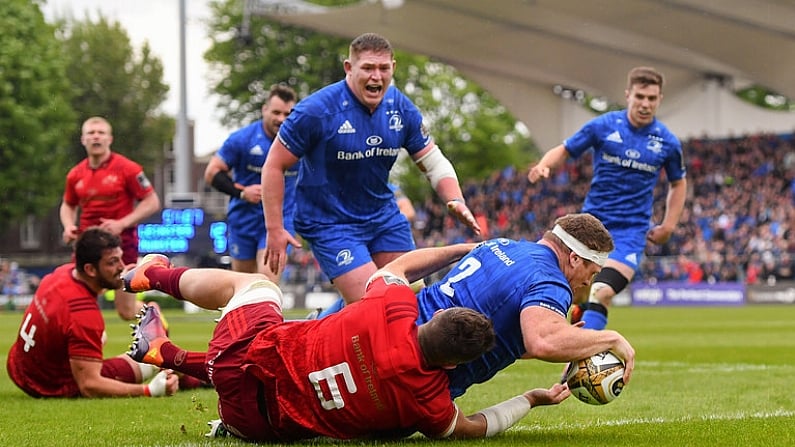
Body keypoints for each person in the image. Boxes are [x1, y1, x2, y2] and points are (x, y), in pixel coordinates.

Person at [123, 245, 570, 442]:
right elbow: (474, 427)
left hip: (237, 359)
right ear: (453, 369)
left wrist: (467, 250)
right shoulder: (430, 402)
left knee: (258, 287)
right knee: (296, 371)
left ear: (430, 316)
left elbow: (404, 266)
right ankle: (169, 355)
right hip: (256, 429)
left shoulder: (393, 306)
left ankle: (153, 275)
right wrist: (530, 399)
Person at [261, 32, 481, 305]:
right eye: (367, 68)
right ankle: (321, 327)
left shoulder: (400, 108)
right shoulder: (316, 111)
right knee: (373, 303)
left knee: (410, 298)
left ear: (393, 68)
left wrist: (455, 199)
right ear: (349, 68)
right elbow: (273, 165)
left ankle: (322, 321)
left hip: (382, 218)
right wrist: (274, 228)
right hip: (330, 222)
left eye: (383, 68)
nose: (376, 76)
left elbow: (433, 161)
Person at [528, 66, 687, 330]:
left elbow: (678, 183)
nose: (645, 104)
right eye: (640, 97)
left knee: (601, 291)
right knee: (577, 294)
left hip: (630, 232)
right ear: (628, 95)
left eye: (651, 98)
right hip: (592, 225)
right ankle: (576, 333)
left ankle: (584, 355)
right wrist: (545, 164)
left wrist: (669, 225)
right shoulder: (603, 126)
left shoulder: (667, 142)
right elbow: (566, 149)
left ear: (659, 99)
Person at [415, 213, 635, 398]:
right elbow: (542, 342)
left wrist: (569, 341)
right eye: (592, 272)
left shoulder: (502, 244)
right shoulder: (551, 280)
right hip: (419, 377)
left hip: (396, 329)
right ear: (575, 259)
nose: (588, 282)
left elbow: (498, 328)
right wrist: (610, 339)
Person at [6, 228, 178, 398]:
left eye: (121, 259)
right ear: (90, 269)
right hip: (50, 384)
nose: (121, 267)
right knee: (153, 356)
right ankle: (194, 377)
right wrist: (149, 390)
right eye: (112, 262)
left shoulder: (62, 273)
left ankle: (184, 374)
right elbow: (89, 385)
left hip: (18, 367)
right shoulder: (83, 314)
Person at [60, 116, 161, 320]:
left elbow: (152, 201)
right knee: (77, 299)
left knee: (126, 312)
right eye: (91, 133)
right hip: (87, 246)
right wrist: (69, 225)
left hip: (121, 246)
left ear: (109, 139)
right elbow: (68, 205)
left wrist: (121, 223)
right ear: (83, 139)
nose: (96, 137)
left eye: (101, 133)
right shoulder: (75, 174)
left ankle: (154, 315)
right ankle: (85, 340)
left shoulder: (128, 169)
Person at [204, 84, 298, 281]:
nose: (281, 119)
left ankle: (268, 310)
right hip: (244, 220)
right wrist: (242, 193)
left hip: (280, 221)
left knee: (265, 280)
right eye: (276, 112)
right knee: (243, 285)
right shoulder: (242, 140)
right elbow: (211, 173)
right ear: (264, 110)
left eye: (287, 114)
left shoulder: (300, 142)